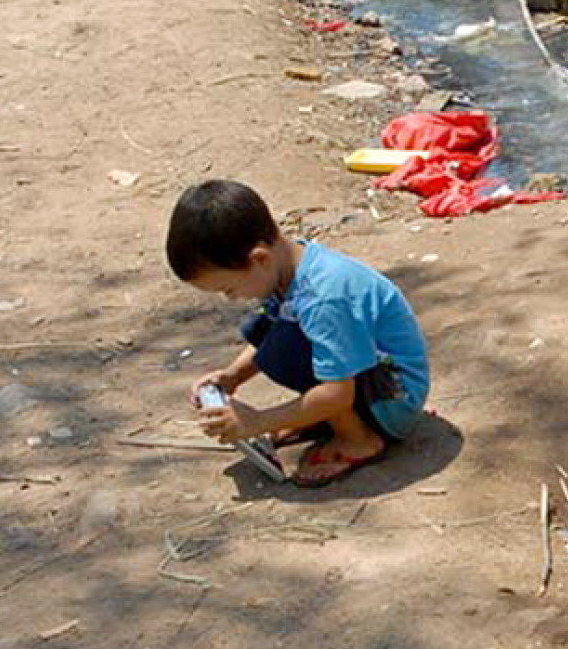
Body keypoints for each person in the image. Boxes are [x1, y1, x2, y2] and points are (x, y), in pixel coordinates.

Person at [165, 180, 430, 487]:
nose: (231, 298)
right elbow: (275, 329)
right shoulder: (288, 266)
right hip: (368, 379)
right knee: (269, 333)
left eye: (229, 288)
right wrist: (232, 377)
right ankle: (328, 418)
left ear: (259, 258)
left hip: (394, 399)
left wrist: (257, 422)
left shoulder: (323, 297)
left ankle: (357, 438)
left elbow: (337, 392)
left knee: (285, 348)